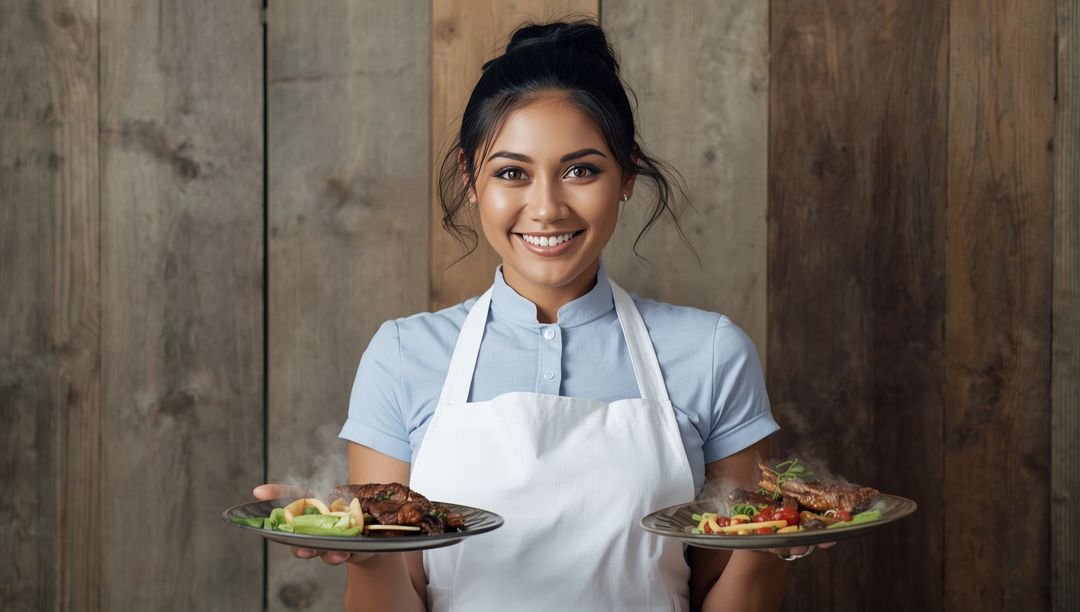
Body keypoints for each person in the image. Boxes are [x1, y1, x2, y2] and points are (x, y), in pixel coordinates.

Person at [255, 19, 819, 612]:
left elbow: (730, 588)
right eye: (511, 173)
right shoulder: (402, 356)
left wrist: (772, 540)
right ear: (471, 178)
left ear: (626, 176)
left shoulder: (710, 352)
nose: (546, 208)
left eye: (581, 170)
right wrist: (363, 547)